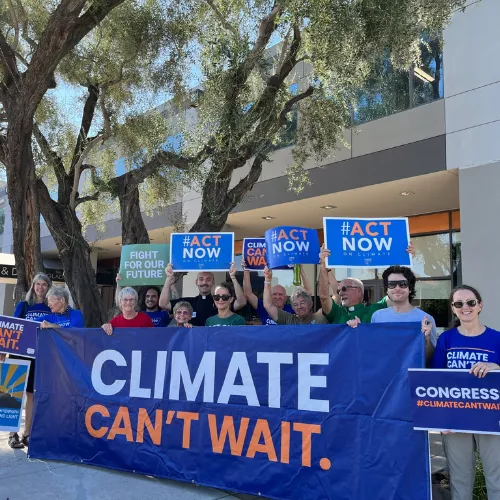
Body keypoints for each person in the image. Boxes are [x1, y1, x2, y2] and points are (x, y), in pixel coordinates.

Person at [432, 285, 500, 500]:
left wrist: (496, 367)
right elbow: (436, 379)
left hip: (491, 415)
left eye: (471, 302)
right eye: (459, 303)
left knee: (496, 477)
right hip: (455, 417)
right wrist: (441, 417)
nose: (465, 307)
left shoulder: (496, 338)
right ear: (453, 309)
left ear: (480, 306)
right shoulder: (446, 339)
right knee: (460, 478)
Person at [2, 273, 52, 449]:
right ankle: (12, 434)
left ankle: (27, 433)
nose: (40, 288)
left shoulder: (51, 308)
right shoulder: (24, 306)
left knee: (32, 394)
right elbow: (12, 328)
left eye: (44, 284)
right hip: (18, 354)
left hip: (39, 355)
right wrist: (3, 350)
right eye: (37, 284)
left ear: (48, 287)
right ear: (33, 286)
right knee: (13, 392)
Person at [348, 265, 436, 362]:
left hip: (412, 376)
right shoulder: (377, 316)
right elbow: (372, 349)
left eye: (403, 284)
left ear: (410, 288)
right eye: (392, 284)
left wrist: (426, 338)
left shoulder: (425, 319)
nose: (397, 288)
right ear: (387, 289)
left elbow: (430, 359)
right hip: (384, 375)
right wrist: (360, 331)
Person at [318, 244, 415, 324]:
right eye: (339, 291)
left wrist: (407, 259)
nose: (340, 293)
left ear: (358, 290)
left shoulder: (375, 310)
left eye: (344, 289)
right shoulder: (338, 312)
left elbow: (396, 293)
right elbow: (323, 297)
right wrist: (323, 265)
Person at [159, 262, 247, 327]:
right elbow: (163, 304)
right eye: (201, 279)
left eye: (208, 279)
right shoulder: (189, 302)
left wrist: (233, 277)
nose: (204, 282)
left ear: (213, 282)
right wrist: (169, 278)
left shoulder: (220, 301)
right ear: (196, 282)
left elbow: (241, 302)